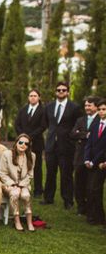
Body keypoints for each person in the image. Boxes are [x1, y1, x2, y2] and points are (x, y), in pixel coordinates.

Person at [42, 81, 83, 209]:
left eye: (63, 90)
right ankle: (48, 198)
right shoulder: (49, 106)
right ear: (55, 92)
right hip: (51, 145)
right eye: (58, 90)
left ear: (68, 92)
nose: (61, 92)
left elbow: (78, 125)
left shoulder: (74, 107)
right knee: (50, 173)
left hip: (67, 146)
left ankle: (68, 201)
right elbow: (48, 123)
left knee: (66, 174)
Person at [14, 88, 47, 197]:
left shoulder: (43, 110)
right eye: (31, 96)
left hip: (36, 142)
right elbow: (17, 124)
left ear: (39, 97)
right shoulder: (23, 109)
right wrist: (22, 137)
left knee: (37, 167)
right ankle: (21, 186)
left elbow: (43, 126)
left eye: (35, 96)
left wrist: (29, 137)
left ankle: (38, 190)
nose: (32, 97)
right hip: (22, 143)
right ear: (28, 98)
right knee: (21, 165)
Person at [0, 134, 36, 231]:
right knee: (15, 194)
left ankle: (29, 221)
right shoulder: (7, 154)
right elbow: (2, 173)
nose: (23, 145)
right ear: (16, 143)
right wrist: (13, 184)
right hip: (8, 183)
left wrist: (21, 185)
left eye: (26, 143)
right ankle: (17, 220)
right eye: (20, 142)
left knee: (26, 195)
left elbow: (30, 174)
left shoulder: (32, 156)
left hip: (24, 184)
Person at [70, 97, 99, 215]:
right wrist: (86, 135)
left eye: (89, 105)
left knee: (91, 185)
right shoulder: (80, 120)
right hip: (80, 156)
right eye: (86, 105)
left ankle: (92, 209)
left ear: (96, 107)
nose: (87, 108)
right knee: (79, 184)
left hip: (95, 156)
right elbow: (72, 134)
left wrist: (80, 134)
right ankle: (81, 208)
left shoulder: (101, 119)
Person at [84, 99, 106, 225]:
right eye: (100, 109)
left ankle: (99, 217)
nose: (101, 112)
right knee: (92, 189)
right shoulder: (95, 124)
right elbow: (89, 143)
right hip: (93, 162)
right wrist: (87, 159)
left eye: (104, 109)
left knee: (96, 189)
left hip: (101, 162)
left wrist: (95, 161)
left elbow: (103, 149)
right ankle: (96, 216)